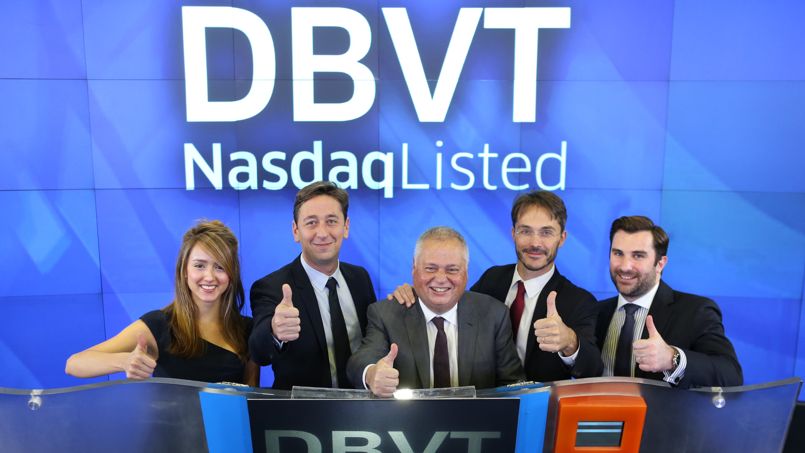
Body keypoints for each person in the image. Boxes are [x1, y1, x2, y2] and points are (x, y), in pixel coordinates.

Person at [391, 191, 601, 382]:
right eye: (525, 231)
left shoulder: (579, 301)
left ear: (562, 238)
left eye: (546, 232)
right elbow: (451, 305)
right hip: (488, 405)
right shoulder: (492, 279)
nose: (535, 243)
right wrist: (417, 294)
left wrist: (570, 342)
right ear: (513, 233)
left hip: (542, 409)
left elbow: (593, 369)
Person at [65, 220, 259, 386]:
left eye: (220, 267)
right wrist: (124, 361)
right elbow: (74, 363)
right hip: (171, 421)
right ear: (184, 271)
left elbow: (251, 398)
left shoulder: (247, 330)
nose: (209, 276)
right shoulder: (160, 325)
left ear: (232, 274)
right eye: (199, 266)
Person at [348, 227, 525, 397]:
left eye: (452, 269)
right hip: (407, 418)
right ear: (414, 269)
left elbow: (513, 383)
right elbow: (361, 360)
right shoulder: (385, 314)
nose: (440, 279)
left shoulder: (494, 314)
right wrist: (371, 373)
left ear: (466, 273)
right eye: (430, 268)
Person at [249, 181, 376, 390]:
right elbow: (259, 352)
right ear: (296, 230)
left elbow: (374, 340)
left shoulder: (360, 278)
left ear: (346, 227)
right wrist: (274, 331)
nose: (322, 232)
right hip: (302, 409)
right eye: (311, 223)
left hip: (361, 406)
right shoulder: (271, 286)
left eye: (331, 221)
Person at [597, 215, 742, 388]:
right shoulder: (595, 311)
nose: (625, 266)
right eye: (618, 253)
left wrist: (672, 358)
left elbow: (730, 374)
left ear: (660, 263)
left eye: (638, 256)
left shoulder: (696, 311)